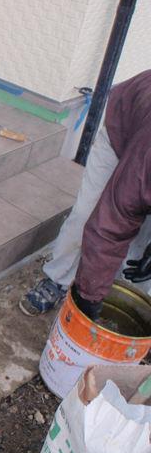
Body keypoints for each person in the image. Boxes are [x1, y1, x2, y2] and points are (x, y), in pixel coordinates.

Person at [20, 69, 151, 318]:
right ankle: (59, 278)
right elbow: (112, 225)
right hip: (124, 130)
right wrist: (89, 298)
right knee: (88, 215)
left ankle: (122, 295)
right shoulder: (144, 166)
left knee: (141, 246)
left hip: (142, 146)